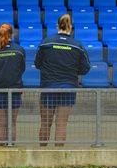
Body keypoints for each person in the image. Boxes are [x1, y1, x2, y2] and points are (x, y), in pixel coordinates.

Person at [35, 14, 90, 147]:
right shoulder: (77, 45)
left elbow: (37, 64)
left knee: (45, 123)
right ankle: (58, 156)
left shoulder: (46, 43)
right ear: (70, 27)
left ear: (57, 26)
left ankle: (41, 153)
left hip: (48, 87)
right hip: (68, 87)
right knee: (61, 124)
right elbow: (85, 68)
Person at [0, 24, 25, 146]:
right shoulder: (19, 50)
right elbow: (22, 69)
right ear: (11, 34)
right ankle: (11, 147)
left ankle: (0, 151)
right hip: (15, 91)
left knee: (0, 123)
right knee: (12, 122)